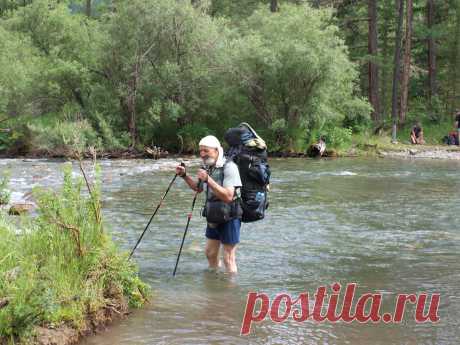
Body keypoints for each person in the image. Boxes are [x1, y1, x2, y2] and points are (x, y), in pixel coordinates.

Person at [175, 135, 242, 274]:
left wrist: (208, 179)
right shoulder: (207, 167)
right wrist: (184, 176)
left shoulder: (230, 167)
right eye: (201, 151)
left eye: (206, 150)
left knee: (228, 259)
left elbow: (229, 196)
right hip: (213, 215)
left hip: (230, 216)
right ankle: (214, 285)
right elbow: (198, 189)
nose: (202, 154)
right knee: (210, 253)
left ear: (217, 150)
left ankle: (230, 291)